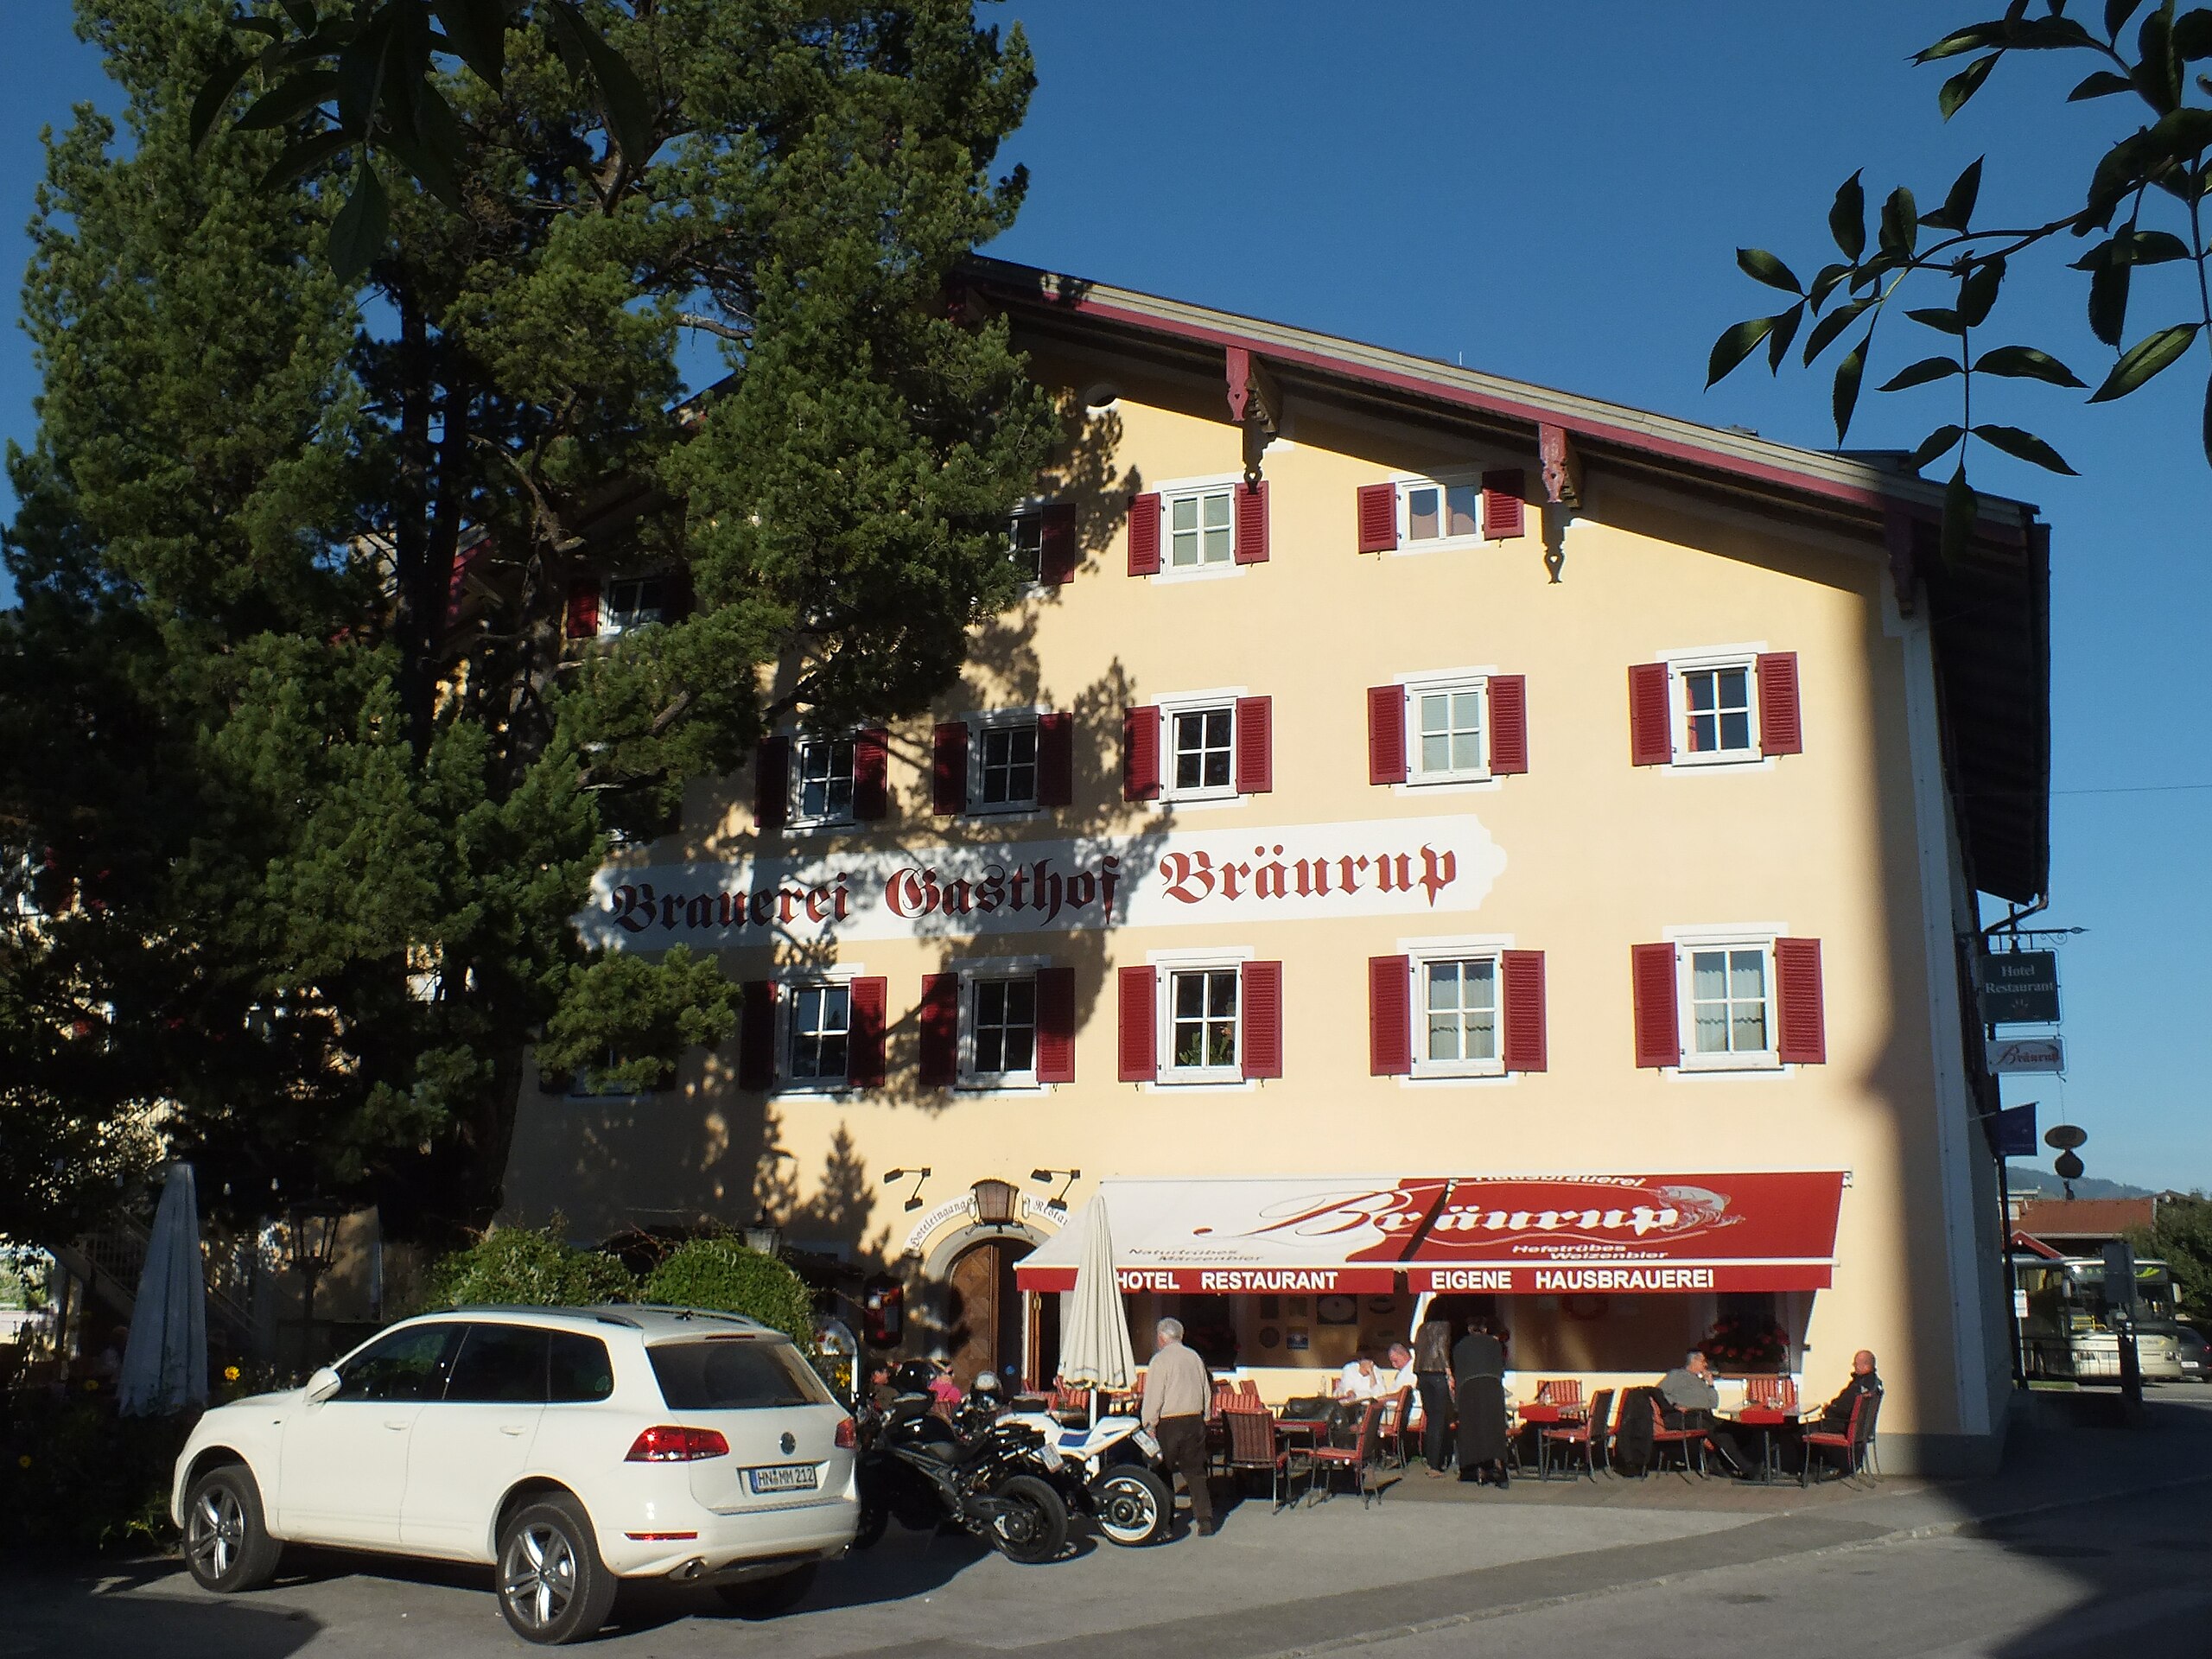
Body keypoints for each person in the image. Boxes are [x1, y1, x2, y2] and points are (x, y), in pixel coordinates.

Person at [1141, 1318, 1217, 1537]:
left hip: (1170, 1422)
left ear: (1161, 1337)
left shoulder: (1160, 1360)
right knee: (1196, 1473)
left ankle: (1165, 1521)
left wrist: (1149, 1423)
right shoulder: (1194, 1357)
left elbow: (1154, 1395)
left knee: (1162, 1470)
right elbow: (1206, 1389)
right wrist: (1206, 1415)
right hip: (1194, 1420)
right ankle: (1205, 1520)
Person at [1657, 1350, 1747, 1476]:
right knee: (1721, 1434)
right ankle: (1747, 1468)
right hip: (1684, 1417)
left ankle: (1748, 1463)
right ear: (1693, 1361)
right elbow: (1658, 1392)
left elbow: (1713, 1403)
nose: (1705, 1365)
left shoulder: (1700, 1381)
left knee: (1736, 1429)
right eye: (1703, 1361)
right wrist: (1674, 1405)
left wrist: (1710, 1384)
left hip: (1704, 1416)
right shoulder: (1677, 1375)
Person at [1452, 1319, 1510, 1487]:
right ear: (1484, 1329)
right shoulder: (1495, 1344)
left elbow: (1459, 1374)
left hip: (1469, 1388)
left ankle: (1479, 1470)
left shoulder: (1460, 1346)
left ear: (1469, 1329)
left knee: (1473, 1430)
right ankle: (1499, 1468)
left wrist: (1457, 1404)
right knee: (1494, 1428)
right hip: (1492, 1388)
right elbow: (1500, 1367)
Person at [1414, 1313, 1455, 1478]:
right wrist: (1449, 1372)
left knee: (1431, 1420)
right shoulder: (1444, 1326)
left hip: (1422, 1375)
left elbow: (1417, 1350)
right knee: (1439, 1420)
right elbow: (1442, 1348)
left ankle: (1430, 1459)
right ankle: (1435, 1465)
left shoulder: (1421, 1329)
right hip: (1438, 1374)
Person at [1815, 1350, 1882, 1433]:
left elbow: (1843, 1408)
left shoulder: (1859, 1385)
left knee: (1802, 1430)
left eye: (1856, 1364)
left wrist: (1828, 1409)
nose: (1854, 1366)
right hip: (1859, 1430)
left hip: (1842, 1427)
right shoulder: (1874, 1384)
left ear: (1866, 1365)